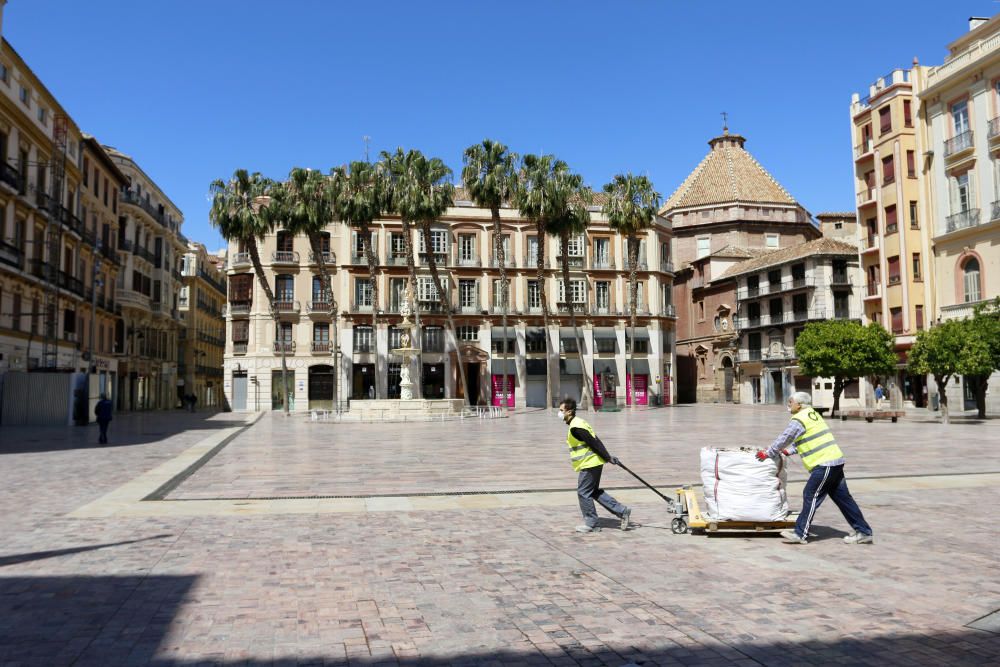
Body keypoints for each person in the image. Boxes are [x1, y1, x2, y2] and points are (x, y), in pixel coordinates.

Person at [756, 391, 873, 545]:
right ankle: (863, 532)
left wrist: (768, 452)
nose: (788, 404)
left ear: (799, 405)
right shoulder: (812, 414)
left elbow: (785, 437)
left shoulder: (799, 419)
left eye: (790, 401)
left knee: (810, 495)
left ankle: (800, 533)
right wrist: (789, 451)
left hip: (824, 464)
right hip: (835, 461)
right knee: (843, 498)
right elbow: (808, 439)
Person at [559, 398, 631, 533]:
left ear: (569, 412)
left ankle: (591, 523)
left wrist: (608, 457)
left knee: (583, 492)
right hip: (594, 462)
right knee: (593, 491)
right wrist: (607, 456)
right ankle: (622, 511)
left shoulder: (576, 427)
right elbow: (596, 439)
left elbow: (593, 442)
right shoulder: (579, 423)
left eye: (561, 410)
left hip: (590, 463)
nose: (560, 413)